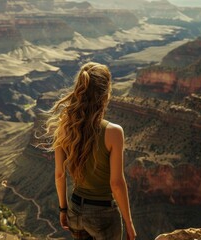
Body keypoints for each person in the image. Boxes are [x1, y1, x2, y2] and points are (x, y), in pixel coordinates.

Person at [44, 62, 136, 240]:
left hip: (75, 210)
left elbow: (59, 175)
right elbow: (116, 183)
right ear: (106, 93)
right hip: (103, 216)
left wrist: (63, 209)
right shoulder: (114, 132)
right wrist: (129, 224)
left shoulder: (65, 127)